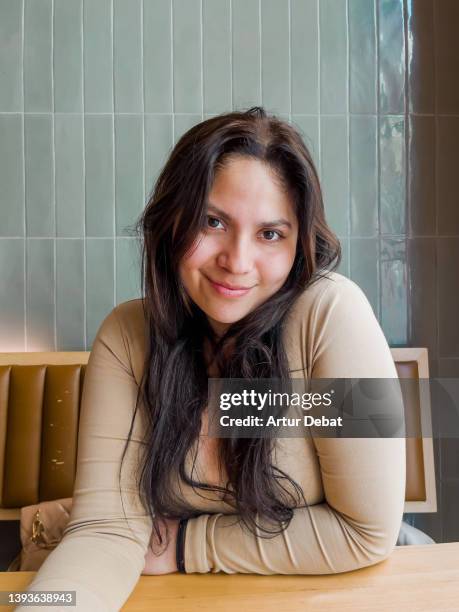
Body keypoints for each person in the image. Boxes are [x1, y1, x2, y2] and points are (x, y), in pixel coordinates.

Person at [19, 107, 406, 610]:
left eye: (270, 234)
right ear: (172, 220)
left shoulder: (330, 315)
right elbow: (106, 533)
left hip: (332, 593)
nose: (237, 261)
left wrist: (185, 545)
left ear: (298, 245)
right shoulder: (129, 337)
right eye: (213, 221)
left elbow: (364, 532)